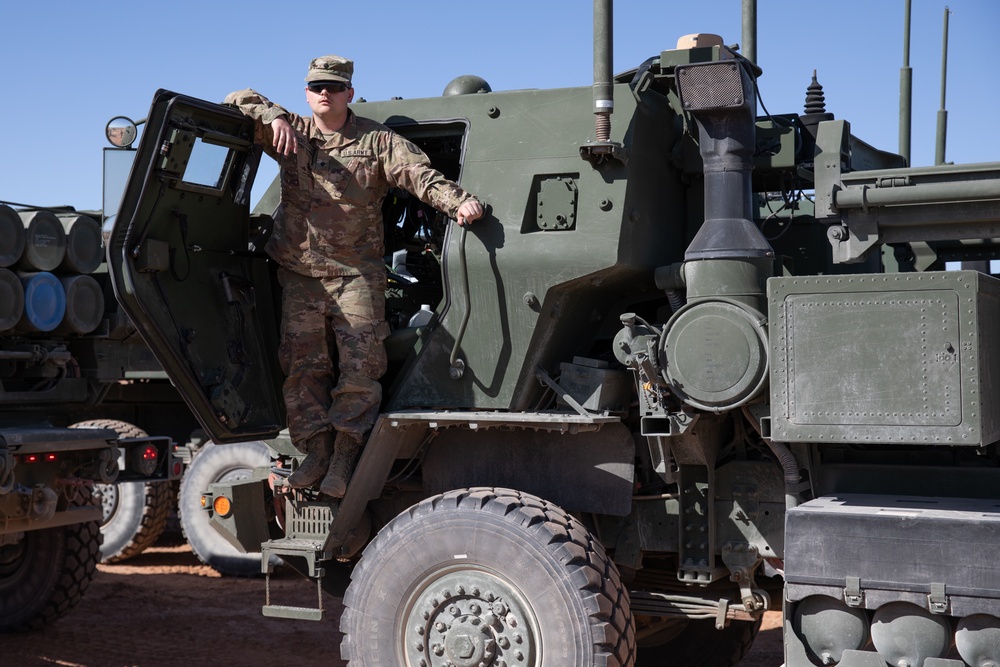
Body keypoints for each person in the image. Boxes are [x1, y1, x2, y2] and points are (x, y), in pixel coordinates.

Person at [225, 55, 484, 497]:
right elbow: (234, 99)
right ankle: (316, 451)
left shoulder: (377, 141)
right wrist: (272, 116)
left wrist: (456, 202)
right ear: (306, 93)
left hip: (355, 276)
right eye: (316, 87)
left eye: (333, 86)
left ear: (349, 92)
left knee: (360, 366)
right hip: (301, 274)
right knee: (303, 368)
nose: (324, 93)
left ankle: (345, 452)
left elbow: (419, 174)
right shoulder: (291, 131)